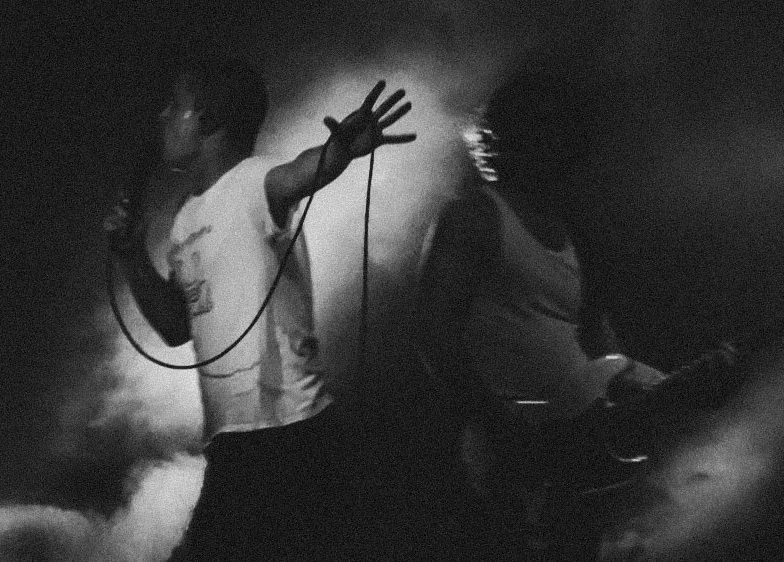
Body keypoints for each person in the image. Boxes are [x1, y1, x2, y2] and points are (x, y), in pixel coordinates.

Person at [105, 59, 414, 560]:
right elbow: (174, 328)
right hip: (239, 442)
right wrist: (131, 254)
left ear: (205, 120)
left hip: (289, 432)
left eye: (175, 107)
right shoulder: (185, 220)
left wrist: (339, 152)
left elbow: (300, 174)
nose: (164, 116)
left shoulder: (253, 182)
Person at [412, 65, 664, 559]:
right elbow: (434, 336)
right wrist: (495, 421)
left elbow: (595, 334)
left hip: (575, 438)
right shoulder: (474, 217)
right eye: (541, 128)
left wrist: (632, 385)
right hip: (507, 442)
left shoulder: (572, 229)